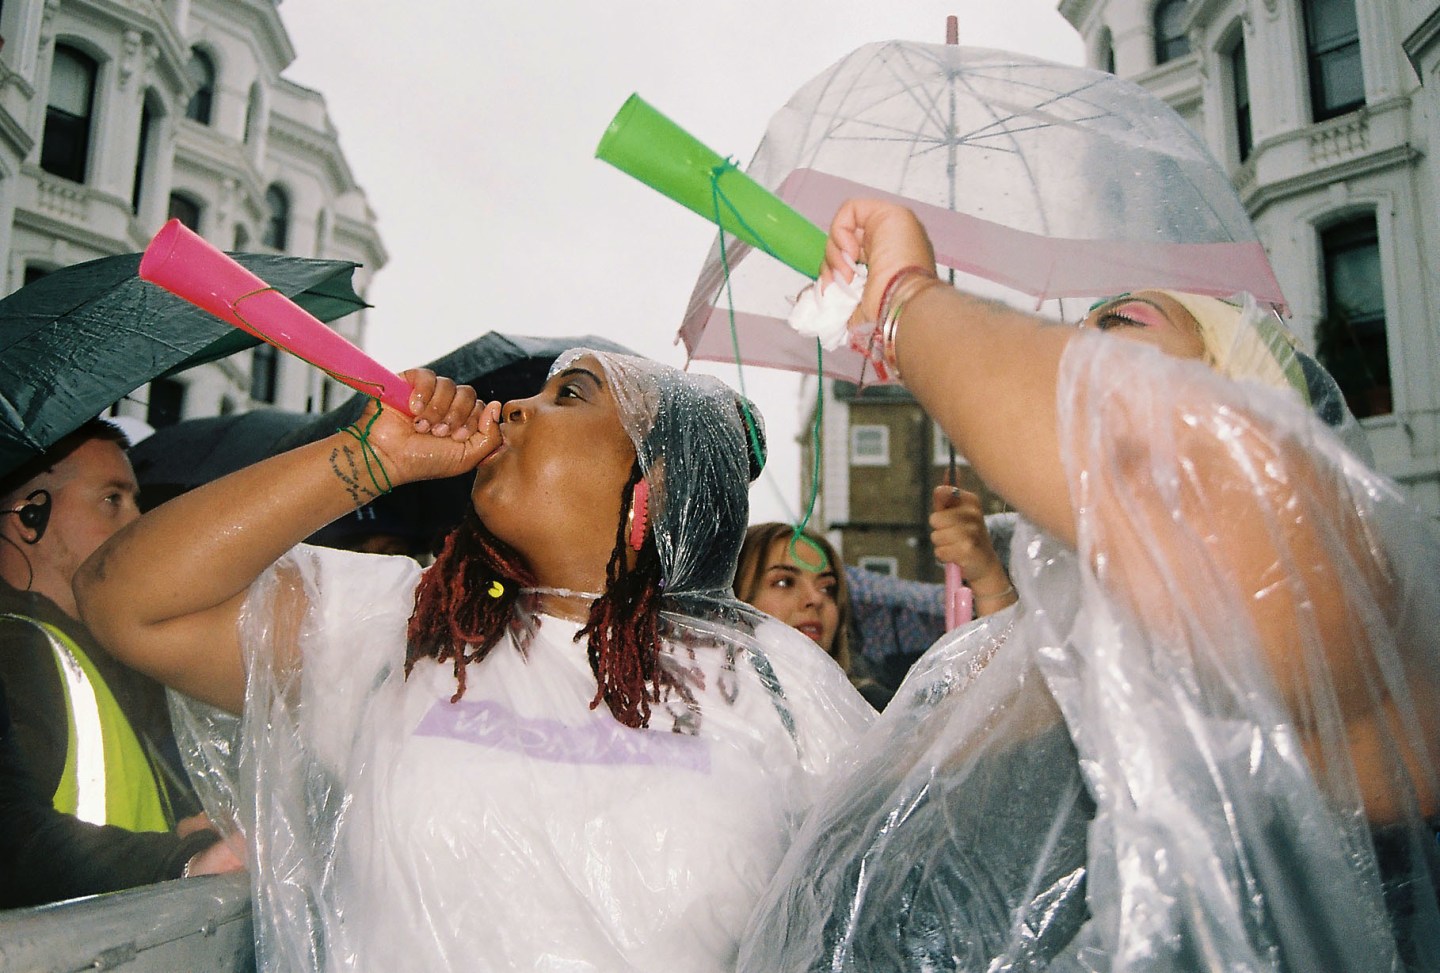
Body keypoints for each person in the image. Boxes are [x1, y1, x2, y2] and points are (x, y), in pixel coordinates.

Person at [737, 201, 1440, 971]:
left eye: (1124, 326)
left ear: (1249, 389)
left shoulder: (1349, 578)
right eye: (1076, 339)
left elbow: (1148, 451)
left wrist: (906, 297)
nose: (1075, 355)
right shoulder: (1035, 654)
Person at [76, 352, 872, 972]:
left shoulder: (773, 681)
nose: (515, 407)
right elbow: (125, 599)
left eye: (571, 394)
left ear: (655, 483)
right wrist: (364, 458)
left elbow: (899, 876)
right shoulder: (404, 626)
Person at [0, 420, 242, 907]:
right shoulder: (16, 651)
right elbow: (12, 837)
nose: (136, 522)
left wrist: (180, 833)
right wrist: (180, 861)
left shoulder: (89, 650)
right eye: (112, 499)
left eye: (135, 500)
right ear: (29, 518)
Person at [735, 516, 1012, 710]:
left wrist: (986, 576)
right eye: (784, 582)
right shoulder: (704, 707)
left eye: (828, 588)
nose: (815, 599)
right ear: (734, 600)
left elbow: (977, 722)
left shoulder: (867, 709)